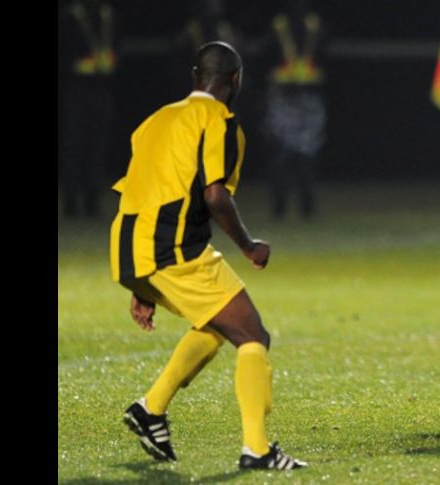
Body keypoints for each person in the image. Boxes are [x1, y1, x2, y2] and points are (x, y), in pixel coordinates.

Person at [109, 41, 306, 471]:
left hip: (130, 241)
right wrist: (249, 245)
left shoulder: (156, 119)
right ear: (235, 80)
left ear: (195, 77)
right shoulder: (218, 121)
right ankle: (257, 449)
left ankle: (151, 408)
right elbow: (215, 195)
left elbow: (141, 185)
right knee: (253, 336)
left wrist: (141, 282)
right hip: (171, 246)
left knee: (214, 321)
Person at [261, 0, 326, 220]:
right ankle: (279, 207)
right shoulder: (277, 27)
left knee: (308, 156)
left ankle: (307, 207)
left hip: (309, 100)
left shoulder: (316, 26)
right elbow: (265, 60)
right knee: (281, 156)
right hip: (283, 100)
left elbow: (328, 61)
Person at [59, 0, 117, 218]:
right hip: (77, 88)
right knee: (74, 145)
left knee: (98, 145)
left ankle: (92, 199)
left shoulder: (107, 15)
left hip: (102, 86)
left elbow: (116, 45)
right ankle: (71, 201)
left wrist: (111, 60)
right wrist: (77, 65)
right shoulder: (70, 17)